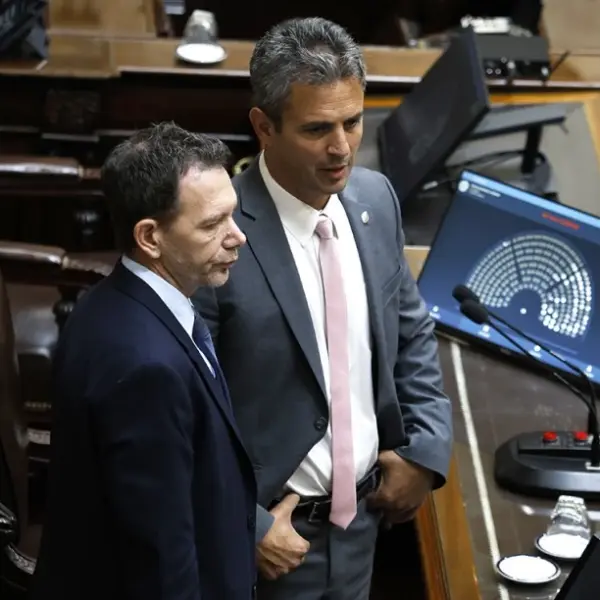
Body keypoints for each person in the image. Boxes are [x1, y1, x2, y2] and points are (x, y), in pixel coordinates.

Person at [192, 17, 453, 600]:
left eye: (353, 122)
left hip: (365, 527)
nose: (341, 148)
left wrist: (425, 450)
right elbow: (183, 412)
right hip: (271, 546)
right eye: (317, 129)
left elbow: (411, 331)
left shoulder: (375, 198)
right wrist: (246, 525)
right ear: (264, 127)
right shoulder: (215, 236)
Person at [31, 122, 256, 600]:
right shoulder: (146, 368)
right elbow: (160, 560)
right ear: (150, 236)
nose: (237, 237)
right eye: (212, 224)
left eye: (232, 216)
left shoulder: (107, 301)